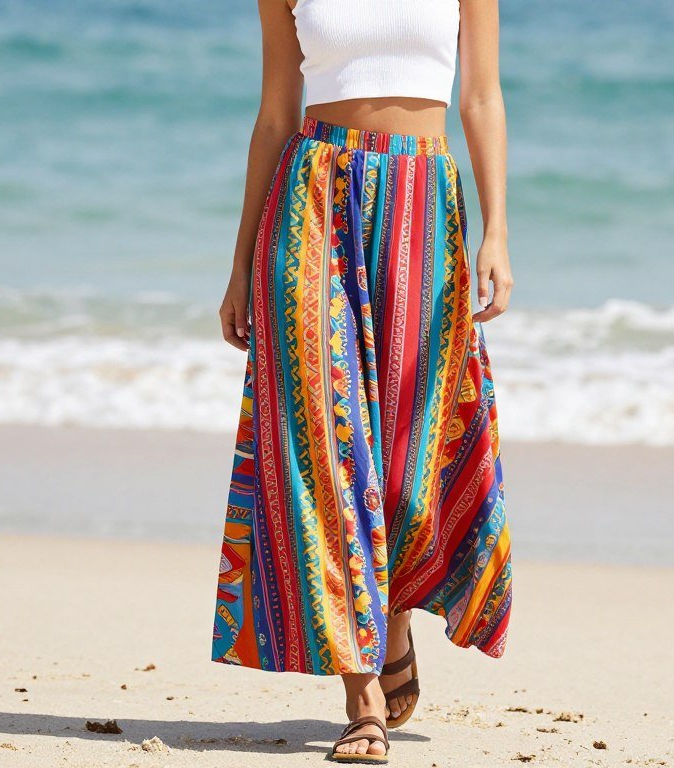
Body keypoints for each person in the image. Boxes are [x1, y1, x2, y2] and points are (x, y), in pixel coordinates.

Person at [212, 0, 513, 762]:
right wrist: (243, 260)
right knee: (319, 442)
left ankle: (395, 611)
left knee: (411, 458)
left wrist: (497, 230)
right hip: (311, 198)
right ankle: (362, 694)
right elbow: (275, 115)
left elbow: (480, 97)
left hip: (423, 202)